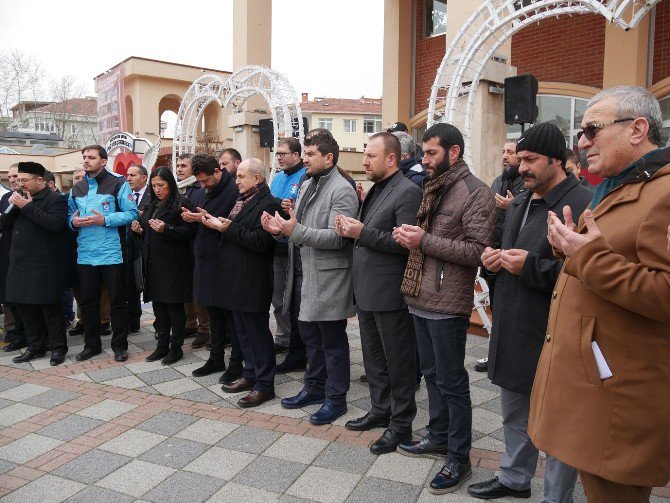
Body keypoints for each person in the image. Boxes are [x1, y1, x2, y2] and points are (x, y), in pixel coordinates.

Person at [529, 86, 670, 502]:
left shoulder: (663, 193)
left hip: (620, 400)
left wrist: (587, 256)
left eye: (592, 129)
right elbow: (610, 256)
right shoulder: (618, 185)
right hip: (595, 387)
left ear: (637, 129)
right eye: (580, 130)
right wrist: (570, 248)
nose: (582, 142)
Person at [468, 122, 592, 501]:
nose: (521, 167)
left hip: (556, 334)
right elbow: (510, 257)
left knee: (558, 427)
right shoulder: (521, 198)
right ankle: (514, 479)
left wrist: (532, 268)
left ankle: (557, 497)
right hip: (514, 328)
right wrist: (491, 263)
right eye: (519, 159)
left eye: (530, 159)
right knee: (515, 415)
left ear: (557, 159)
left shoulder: (584, 203)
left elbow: (591, 277)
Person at [393, 123, 495, 494]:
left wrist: (425, 241)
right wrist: (411, 239)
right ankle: (437, 435)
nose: (425, 159)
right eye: (423, 152)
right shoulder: (433, 187)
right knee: (432, 373)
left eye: (432, 152)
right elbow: (430, 241)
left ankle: (458, 455)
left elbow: (477, 251)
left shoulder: (475, 192)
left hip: (448, 302)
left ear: (454, 152)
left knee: (452, 382)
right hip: (420, 296)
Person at [262, 130, 358, 425]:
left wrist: (295, 231)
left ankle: (336, 398)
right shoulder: (306, 183)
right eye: (305, 153)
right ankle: (314, 388)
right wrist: (281, 229)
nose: (305, 159)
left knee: (332, 341)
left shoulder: (342, 189)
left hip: (328, 277)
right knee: (310, 339)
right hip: (303, 270)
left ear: (329, 157)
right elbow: (299, 225)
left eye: (311, 154)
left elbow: (338, 237)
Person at [336, 132, 422, 454]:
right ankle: (379, 409)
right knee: (373, 358)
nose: (364, 161)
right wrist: (349, 230)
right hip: (367, 289)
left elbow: (403, 244)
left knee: (398, 362)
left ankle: (401, 426)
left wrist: (362, 232)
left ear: (391, 159)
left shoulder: (408, 191)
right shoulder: (375, 189)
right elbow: (371, 235)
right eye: (364, 154)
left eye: (371, 156)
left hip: (390, 292)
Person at [202, 159, 281, 407]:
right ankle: (250, 374)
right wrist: (215, 223)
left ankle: (265, 384)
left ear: (257, 178)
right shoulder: (243, 200)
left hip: (253, 279)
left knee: (257, 332)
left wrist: (228, 229)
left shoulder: (268, 202)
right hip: (235, 277)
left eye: (241, 177)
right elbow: (236, 229)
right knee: (243, 332)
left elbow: (262, 242)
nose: (236, 182)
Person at [68, 145, 138, 362]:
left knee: (117, 302)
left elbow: (131, 213)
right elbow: (69, 217)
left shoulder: (119, 183)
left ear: (104, 161)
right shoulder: (77, 188)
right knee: (88, 302)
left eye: (91, 157)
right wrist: (73, 222)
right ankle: (91, 345)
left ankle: (120, 346)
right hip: (86, 254)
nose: (86, 160)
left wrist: (105, 220)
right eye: (84, 157)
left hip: (113, 253)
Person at [2, 162, 68, 366]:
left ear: (40, 180)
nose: (20, 184)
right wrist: (14, 207)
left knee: (50, 310)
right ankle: (35, 347)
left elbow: (55, 225)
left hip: (44, 265)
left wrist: (27, 206)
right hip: (20, 264)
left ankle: (57, 349)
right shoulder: (18, 199)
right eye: (18, 180)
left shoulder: (56, 199)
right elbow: (4, 224)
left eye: (24, 180)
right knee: (26, 309)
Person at [183, 155, 241, 382]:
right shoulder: (211, 189)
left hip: (224, 262)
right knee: (214, 313)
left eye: (206, 181)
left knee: (230, 317)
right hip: (207, 260)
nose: (203, 186)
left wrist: (204, 218)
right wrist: (199, 218)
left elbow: (230, 223)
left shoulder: (232, 190)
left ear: (218, 172)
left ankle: (236, 363)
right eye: (200, 183)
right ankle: (216, 358)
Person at [132, 167, 195, 365]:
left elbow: (190, 232)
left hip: (174, 264)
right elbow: (148, 231)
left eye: (162, 185)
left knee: (174, 308)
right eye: (154, 186)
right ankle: (162, 346)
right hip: (153, 264)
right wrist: (139, 230)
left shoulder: (181, 203)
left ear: (171, 184)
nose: (157, 189)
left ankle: (176, 348)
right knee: (159, 307)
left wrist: (166, 228)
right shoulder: (151, 204)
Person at [270, 137, 306, 360]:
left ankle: (297, 342)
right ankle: (283, 338)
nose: (280, 158)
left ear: (297, 155)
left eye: (284, 153)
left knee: (295, 299)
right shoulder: (276, 178)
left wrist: (293, 207)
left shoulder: (304, 177)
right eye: (277, 154)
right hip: (276, 243)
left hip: (297, 245)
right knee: (278, 298)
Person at [176, 153, 210, 345]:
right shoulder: (178, 188)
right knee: (185, 286)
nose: (179, 169)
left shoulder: (200, 187)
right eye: (178, 165)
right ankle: (190, 322)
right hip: (181, 245)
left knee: (199, 287)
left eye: (184, 166)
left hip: (197, 242)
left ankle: (205, 328)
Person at [1, 164, 27, 352]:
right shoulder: (4, 198)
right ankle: (16, 333)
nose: (12, 179)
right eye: (9, 176)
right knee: (10, 295)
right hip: (8, 252)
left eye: (16, 175)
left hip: (30, 255)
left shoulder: (34, 197)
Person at [126, 164, 150, 334]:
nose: (128, 178)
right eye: (127, 175)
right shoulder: (125, 195)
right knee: (130, 285)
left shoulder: (152, 194)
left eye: (132, 175)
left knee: (149, 284)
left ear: (143, 177)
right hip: (128, 247)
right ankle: (133, 321)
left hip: (147, 246)